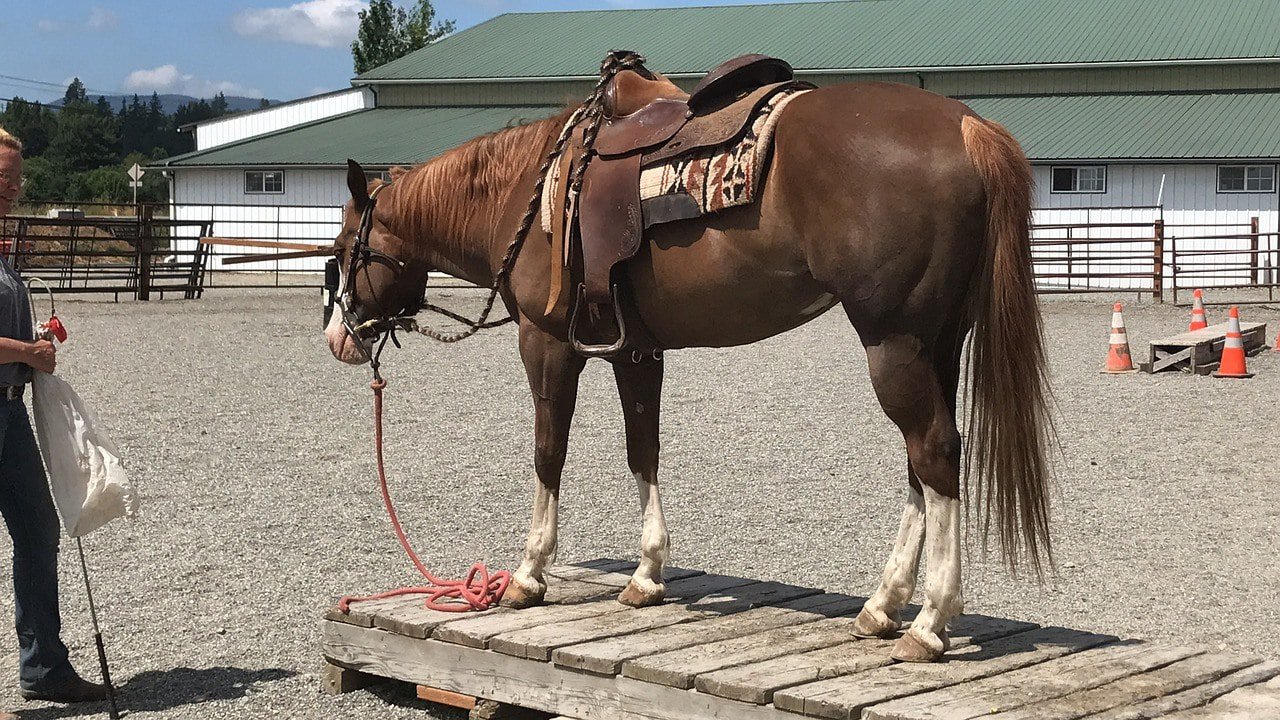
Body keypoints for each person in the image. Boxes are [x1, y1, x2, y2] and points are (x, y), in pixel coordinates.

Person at [0, 126, 106, 707]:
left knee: (39, 529)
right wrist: (26, 352)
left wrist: (32, 341)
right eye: (1, 178)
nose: (11, 189)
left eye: (17, 179)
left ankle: (43, 667)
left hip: (10, 411)